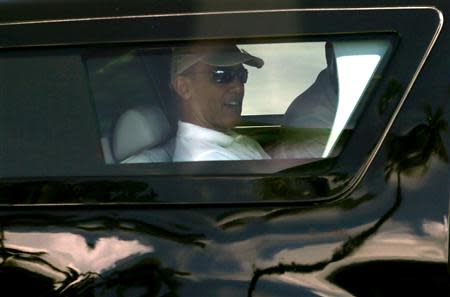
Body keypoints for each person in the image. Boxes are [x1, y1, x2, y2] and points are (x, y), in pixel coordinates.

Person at [170, 43, 271, 162]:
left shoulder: (227, 141)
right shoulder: (210, 161)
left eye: (241, 75)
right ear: (184, 87)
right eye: (222, 75)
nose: (238, 87)